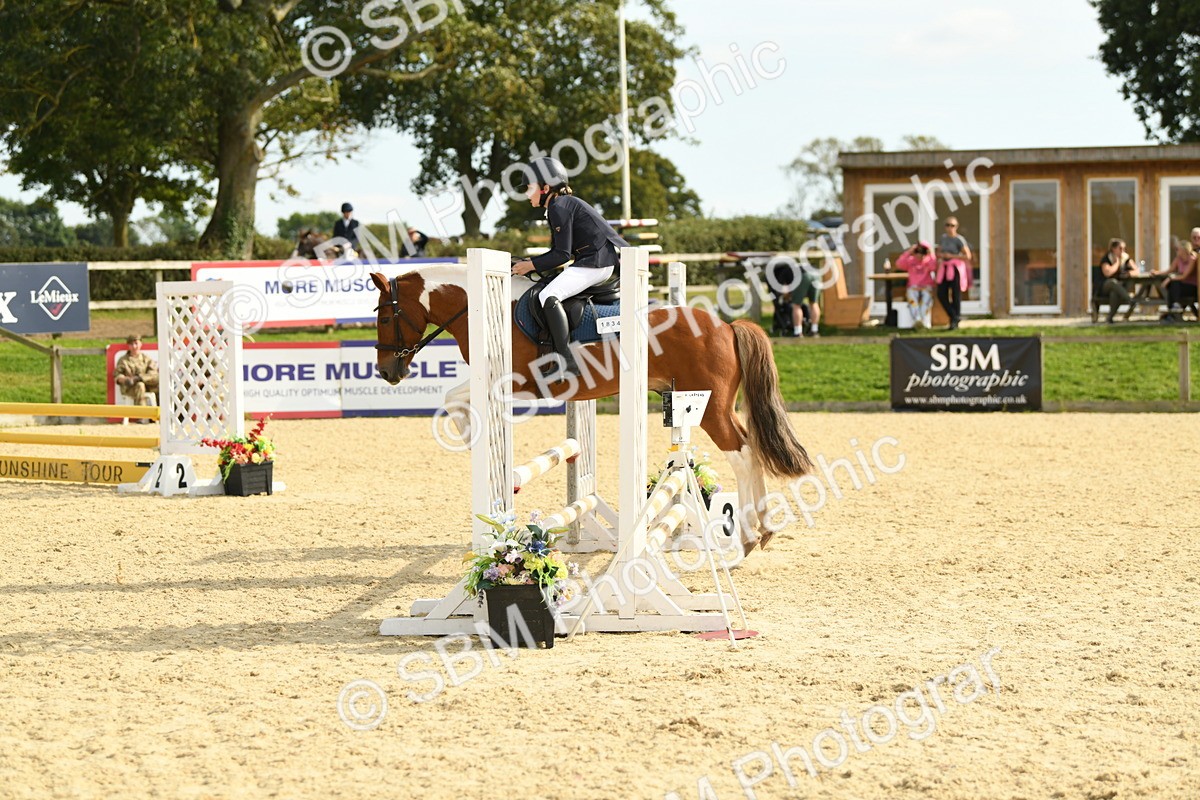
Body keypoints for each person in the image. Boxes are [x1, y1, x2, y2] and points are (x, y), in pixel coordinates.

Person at [511, 158, 629, 379]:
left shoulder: (559, 206)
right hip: (595, 261)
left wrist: (530, 265)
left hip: (595, 263)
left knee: (549, 294)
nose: (527, 195)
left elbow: (562, 255)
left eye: (530, 188)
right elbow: (558, 252)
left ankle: (567, 360)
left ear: (546, 188)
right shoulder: (562, 204)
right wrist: (529, 262)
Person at [935, 217, 973, 330]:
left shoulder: (959, 240)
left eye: (952, 225)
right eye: (947, 225)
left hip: (955, 268)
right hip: (945, 268)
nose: (950, 228)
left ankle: (955, 320)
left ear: (956, 227)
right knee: (941, 293)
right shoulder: (943, 238)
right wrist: (941, 255)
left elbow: (967, 256)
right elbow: (939, 252)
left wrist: (951, 256)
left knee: (956, 294)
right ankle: (954, 315)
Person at [895, 241, 937, 328]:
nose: (919, 255)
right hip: (913, 287)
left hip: (926, 286)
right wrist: (908, 252)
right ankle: (917, 318)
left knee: (927, 298)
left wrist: (931, 253)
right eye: (917, 252)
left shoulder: (928, 261)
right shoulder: (910, 261)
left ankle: (921, 318)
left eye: (922, 252)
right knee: (912, 297)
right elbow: (899, 264)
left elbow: (934, 267)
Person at [1097, 238, 1139, 323]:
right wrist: (1117, 263)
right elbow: (1107, 273)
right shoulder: (1106, 258)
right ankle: (1129, 300)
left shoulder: (1125, 258)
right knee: (1112, 282)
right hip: (1105, 287)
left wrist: (1129, 273)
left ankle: (1109, 318)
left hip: (1118, 289)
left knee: (1114, 293)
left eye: (1124, 248)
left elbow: (1137, 271)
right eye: (1120, 248)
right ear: (1113, 249)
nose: (1122, 251)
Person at [115, 335, 159, 409]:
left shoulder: (146, 358)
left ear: (140, 344)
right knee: (140, 385)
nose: (134, 346)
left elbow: (153, 373)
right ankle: (142, 415)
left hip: (148, 385)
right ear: (128, 345)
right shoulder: (123, 360)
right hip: (131, 387)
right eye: (131, 344)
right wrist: (125, 379)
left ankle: (158, 413)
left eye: (136, 343)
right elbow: (118, 375)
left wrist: (139, 378)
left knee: (160, 382)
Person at [1163, 234, 1198, 317]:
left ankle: (1173, 309)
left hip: (1192, 287)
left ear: (1184, 249)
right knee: (1172, 285)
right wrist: (1156, 273)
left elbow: (1184, 276)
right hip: (1181, 286)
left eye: (1177, 249)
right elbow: (1169, 270)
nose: (1176, 251)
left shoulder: (1192, 259)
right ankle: (1173, 309)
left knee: (1174, 283)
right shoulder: (1178, 259)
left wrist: (1171, 278)